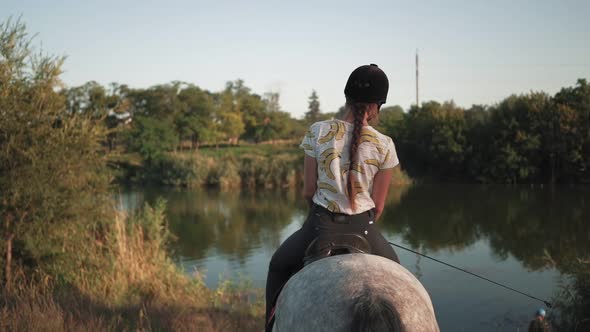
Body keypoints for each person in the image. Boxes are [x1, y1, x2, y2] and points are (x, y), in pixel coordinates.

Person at [265, 64, 401, 330]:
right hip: (365, 228)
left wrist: (319, 214)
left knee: (278, 266)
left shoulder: (317, 131)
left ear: (346, 97)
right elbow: (380, 205)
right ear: (377, 105)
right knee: (399, 275)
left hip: (319, 226)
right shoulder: (385, 144)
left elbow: (307, 191)